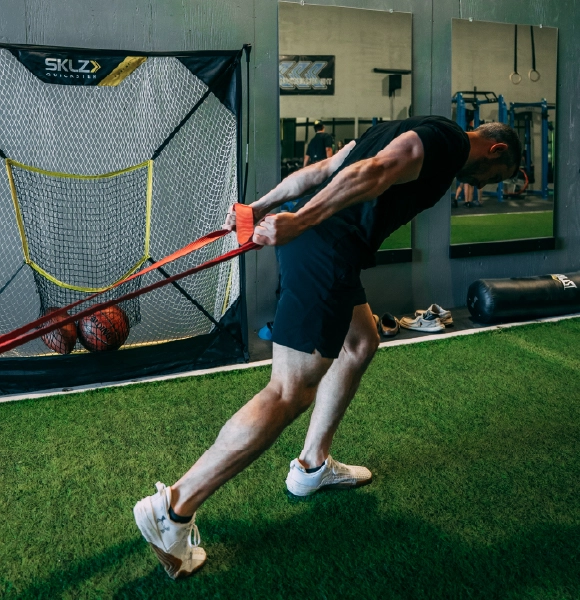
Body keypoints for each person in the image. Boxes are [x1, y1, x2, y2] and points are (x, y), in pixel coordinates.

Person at [133, 116, 521, 579]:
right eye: (496, 176)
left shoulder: (418, 126)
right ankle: (173, 509)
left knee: (361, 342)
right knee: (288, 392)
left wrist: (260, 206)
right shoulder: (448, 143)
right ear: (496, 150)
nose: (487, 183)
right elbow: (372, 172)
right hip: (326, 247)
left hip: (325, 246)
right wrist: (299, 220)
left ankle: (312, 465)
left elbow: (323, 169)